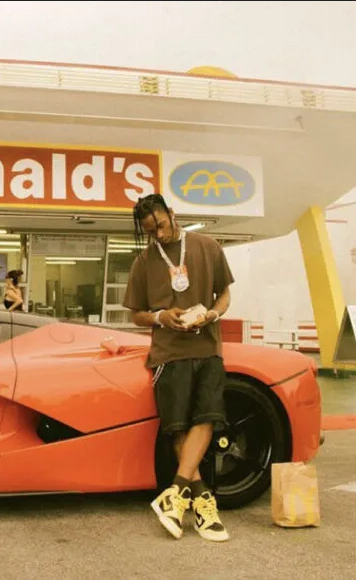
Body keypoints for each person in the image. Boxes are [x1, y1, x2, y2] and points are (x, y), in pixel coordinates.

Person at [122, 193, 234, 543]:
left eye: (161, 225)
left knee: (207, 417)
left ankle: (175, 494)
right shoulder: (143, 262)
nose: (158, 234)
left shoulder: (207, 246)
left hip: (207, 346)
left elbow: (225, 296)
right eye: (150, 230)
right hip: (168, 352)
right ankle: (201, 501)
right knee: (177, 427)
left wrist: (212, 314)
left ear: (172, 214)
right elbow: (136, 313)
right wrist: (159, 316)